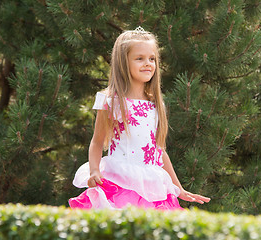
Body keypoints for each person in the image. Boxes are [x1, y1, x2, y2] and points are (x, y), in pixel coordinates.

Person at [69, 27, 210, 210]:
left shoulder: (156, 104)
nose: (148, 63)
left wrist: (178, 188)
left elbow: (159, 150)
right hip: (120, 181)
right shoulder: (111, 101)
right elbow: (97, 141)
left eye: (152, 59)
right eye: (139, 58)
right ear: (123, 62)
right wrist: (94, 170)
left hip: (152, 184)